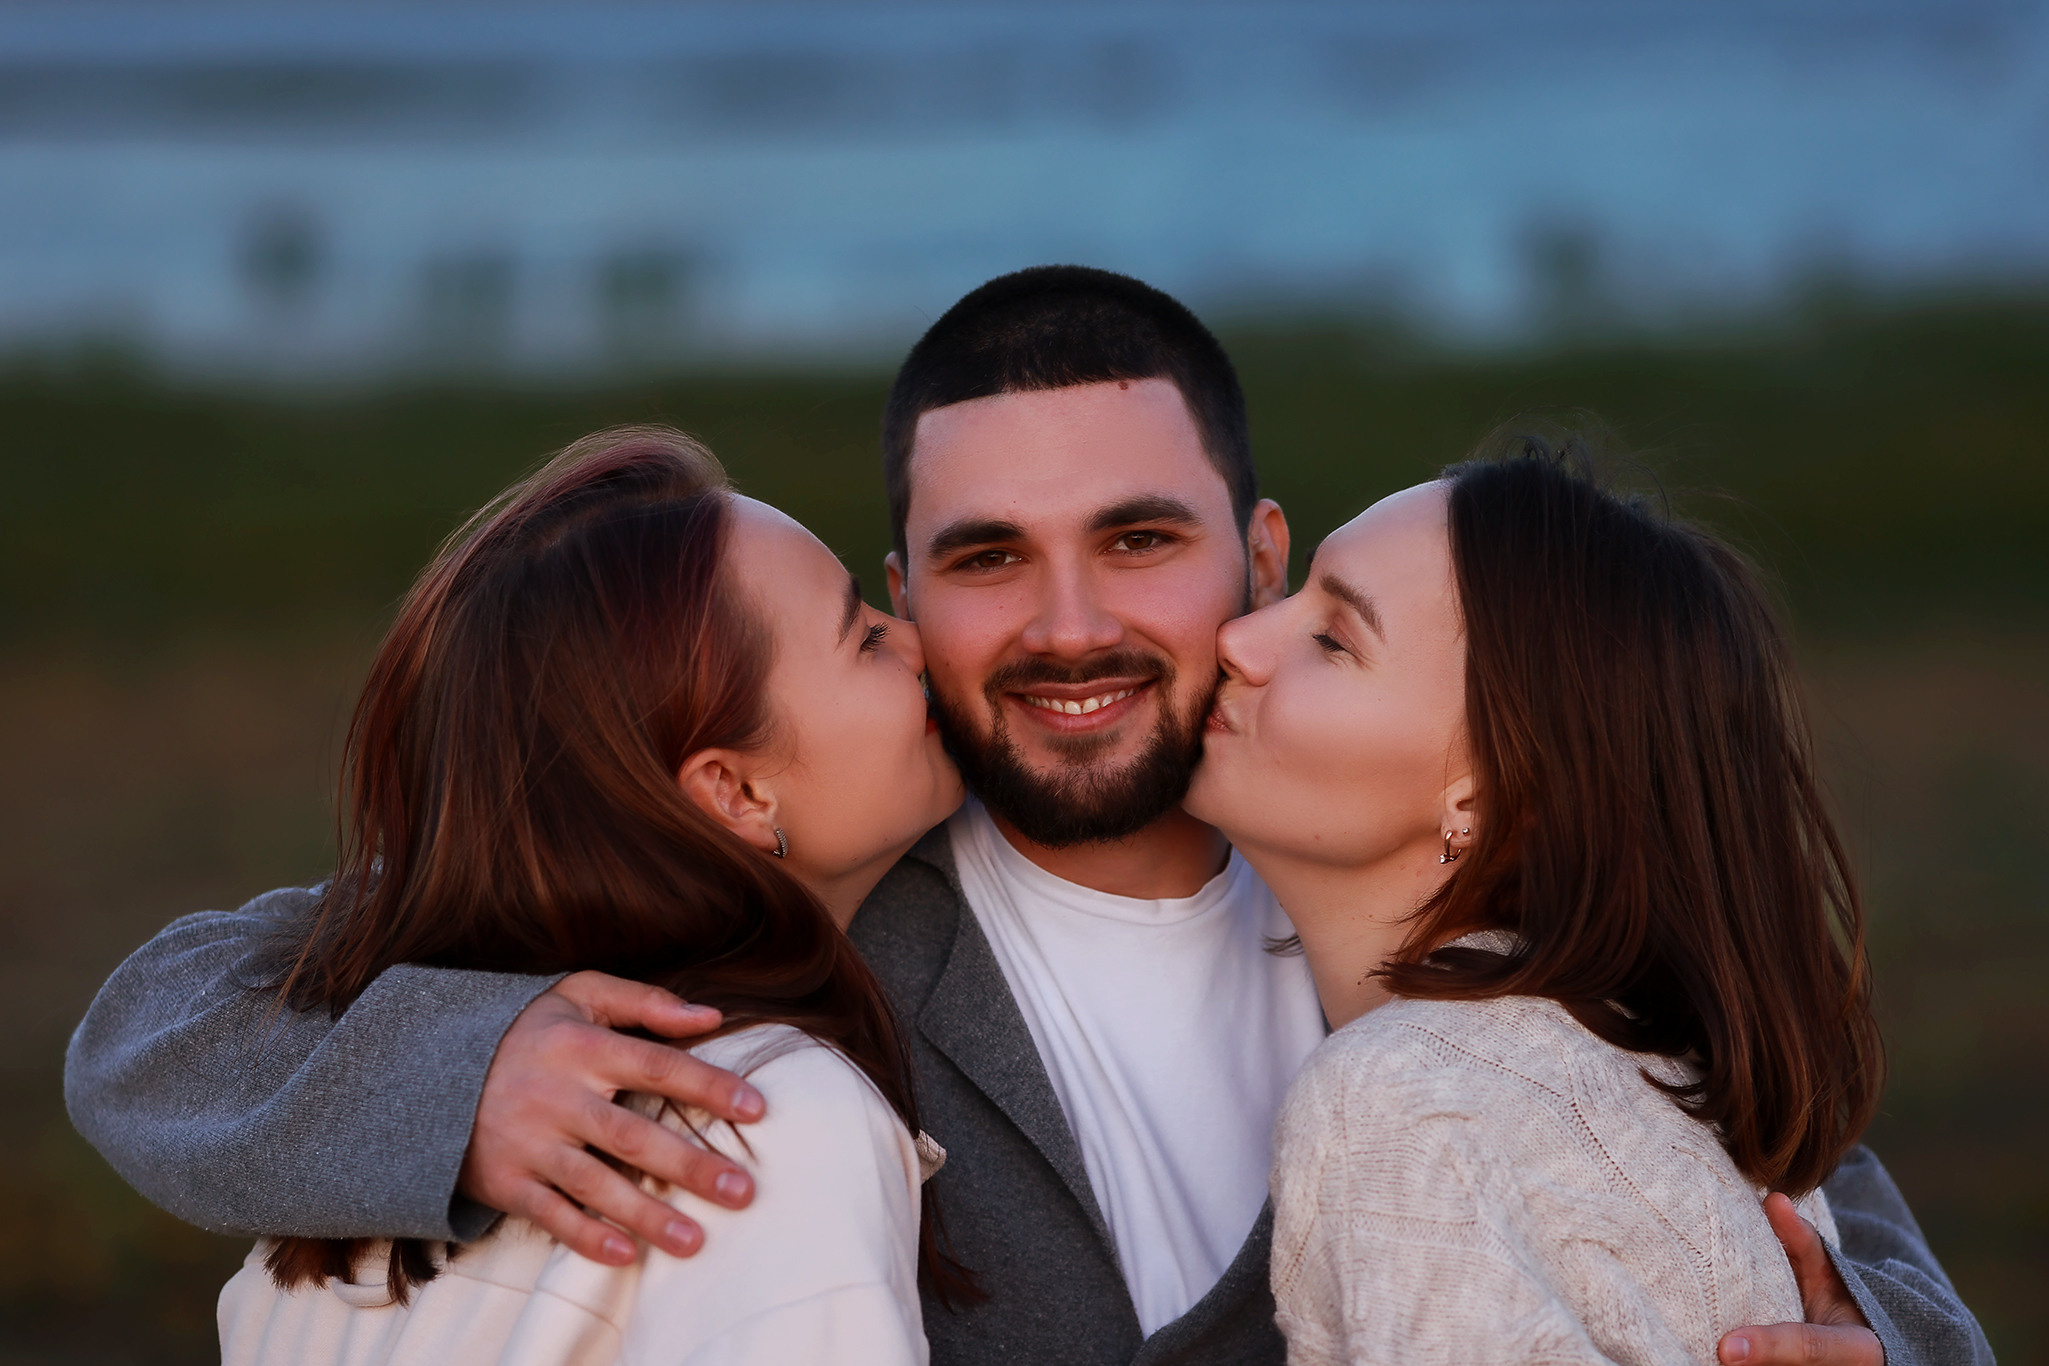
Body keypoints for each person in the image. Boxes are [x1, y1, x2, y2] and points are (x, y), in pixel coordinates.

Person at [67, 269, 1989, 1366]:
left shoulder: (1466, 906)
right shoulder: (798, 900)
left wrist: (1878, 1357)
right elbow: (167, 1014)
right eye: (986, 557)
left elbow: (1792, 1186)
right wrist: (471, 1062)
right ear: (902, 595)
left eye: (1137, 543)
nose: (1067, 627)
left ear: (1254, 555)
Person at [1184, 441, 1973, 1363]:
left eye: (1332, 640)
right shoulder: (1665, 1070)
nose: (1237, 640)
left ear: (1478, 799)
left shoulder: (1405, 1102)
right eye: (1296, 597)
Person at [208, 426, 968, 1361]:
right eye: (862, 637)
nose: (921, 642)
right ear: (734, 792)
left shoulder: (343, 1189)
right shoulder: (768, 1125)